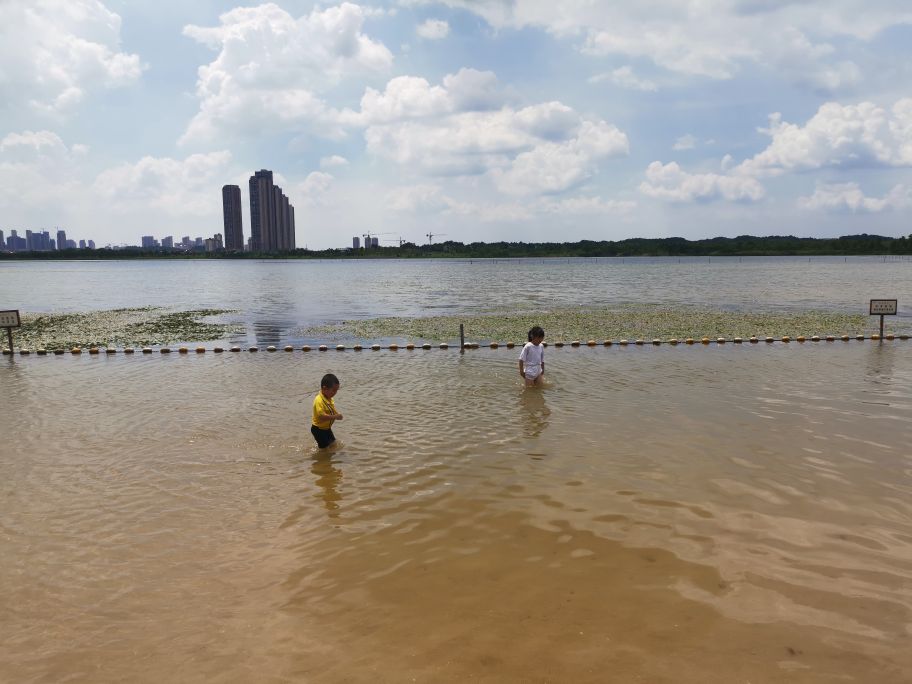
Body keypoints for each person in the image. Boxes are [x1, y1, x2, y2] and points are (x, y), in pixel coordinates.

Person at [311, 373, 343, 448]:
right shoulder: (318, 400)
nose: (335, 393)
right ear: (324, 388)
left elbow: (331, 410)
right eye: (333, 390)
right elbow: (321, 416)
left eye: (336, 390)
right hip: (318, 429)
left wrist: (337, 414)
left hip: (326, 428)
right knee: (324, 449)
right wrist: (335, 416)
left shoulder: (329, 398)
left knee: (333, 444)